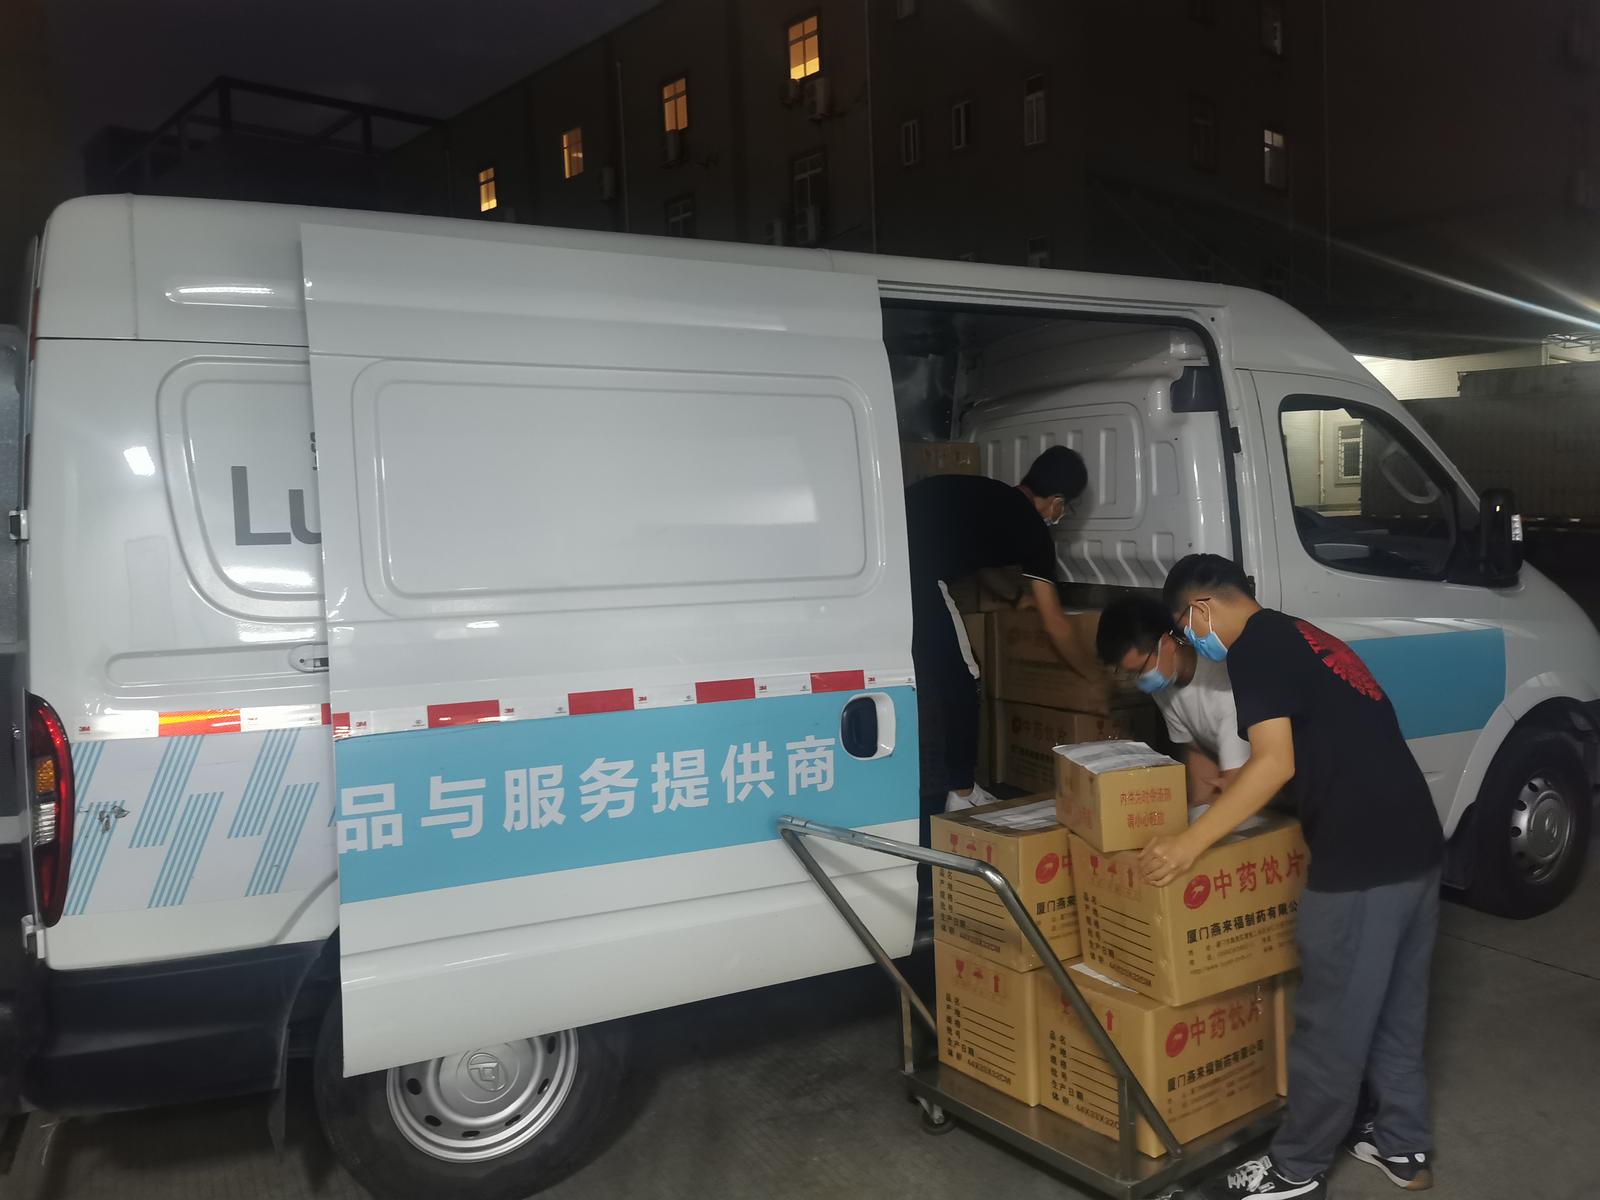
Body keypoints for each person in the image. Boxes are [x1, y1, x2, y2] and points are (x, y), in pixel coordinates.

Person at [1141, 554, 1443, 1200]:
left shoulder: (1255, 648)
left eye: (1185, 625)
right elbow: (1322, 747)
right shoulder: (1304, 634)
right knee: (1397, 1013)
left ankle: (1296, 1170)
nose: (1191, 638)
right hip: (1418, 846)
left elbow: (1274, 762)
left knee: (1330, 1025)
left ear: (1201, 608)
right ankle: (1403, 1146)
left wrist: (1189, 843)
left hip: (1361, 861)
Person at [904, 446, 1095, 813]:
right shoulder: (1033, 532)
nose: (1060, 515)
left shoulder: (989, 496)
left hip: (882, 559)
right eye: (1065, 508)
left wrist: (1013, 598)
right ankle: (961, 793)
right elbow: (1056, 624)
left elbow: (982, 568)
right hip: (914, 574)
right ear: (1056, 502)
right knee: (964, 677)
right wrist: (1091, 677)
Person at [1094, 594, 1251, 806]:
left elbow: (1238, 788)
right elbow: (1197, 750)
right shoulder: (1165, 683)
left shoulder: (1225, 688)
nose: (1138, 680)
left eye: (1138, 670)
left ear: (1166, 643)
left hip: (1269, 789)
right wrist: (1199, 808)